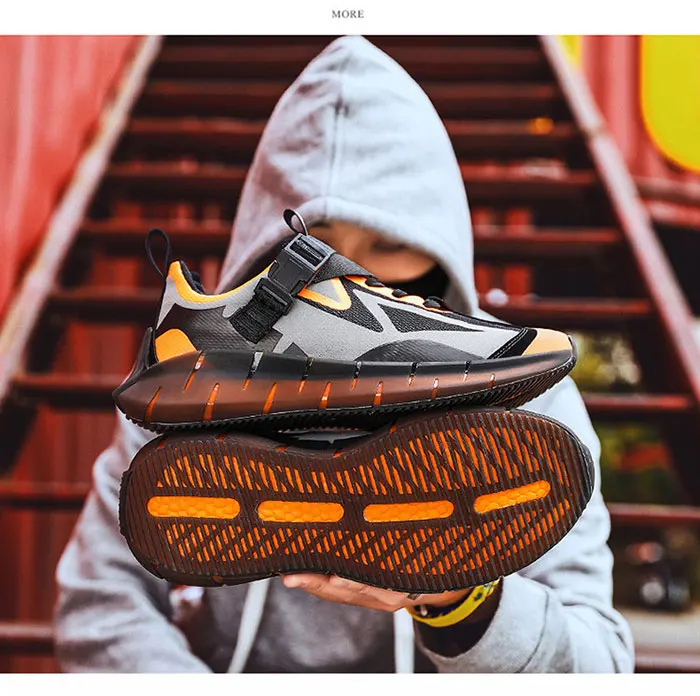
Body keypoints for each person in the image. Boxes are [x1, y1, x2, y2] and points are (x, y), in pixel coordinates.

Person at [54, 35, 635, 673]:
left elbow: (600, 666)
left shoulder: (529, 390)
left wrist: (464, 603)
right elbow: (101, 602)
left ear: (438, 247)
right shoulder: (193, 386)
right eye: (314, 250)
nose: (352, 279)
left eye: (389, 244)